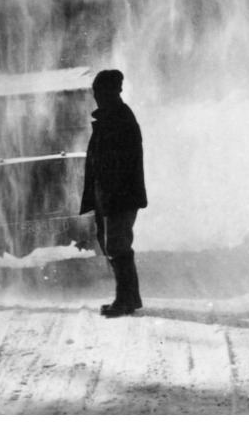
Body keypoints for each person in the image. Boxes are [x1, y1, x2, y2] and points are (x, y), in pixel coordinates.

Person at [80, 68, 147, 318]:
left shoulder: (119, 118)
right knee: (114, 246)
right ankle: (129, 298)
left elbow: (121, 162)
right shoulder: (111, 116)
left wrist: (109, 193)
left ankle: (124, 300)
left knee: (118, 246)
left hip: (119, 196)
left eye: (98, 91)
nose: (95, 96)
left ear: (109, 92)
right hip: (109, 195)